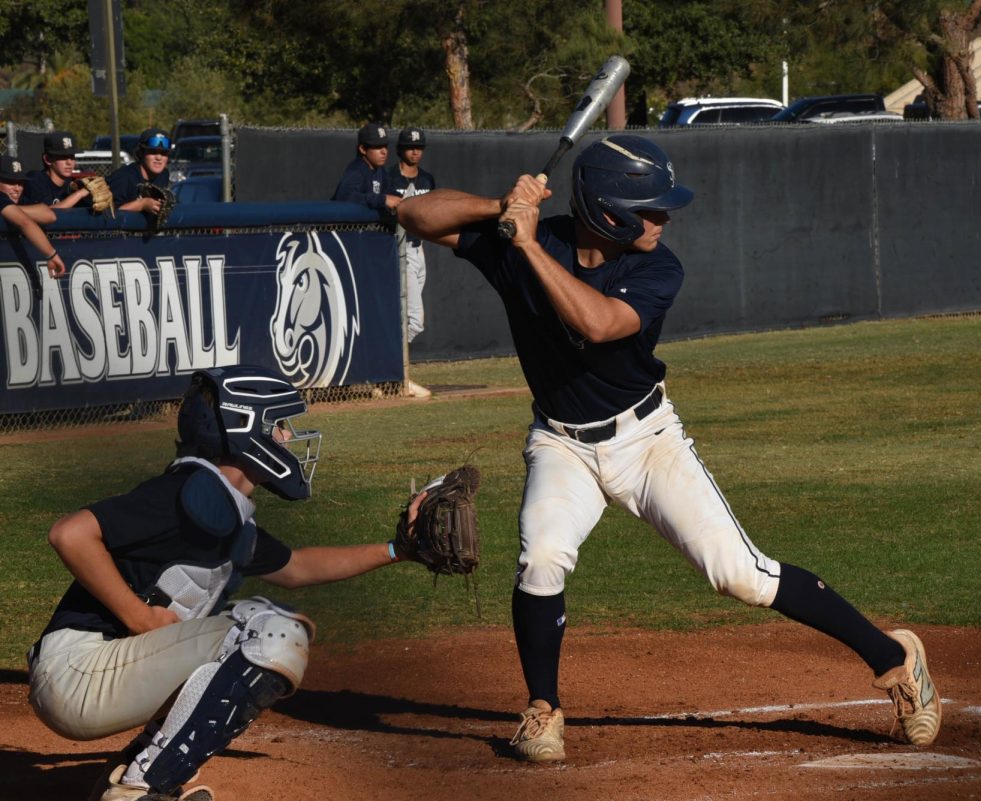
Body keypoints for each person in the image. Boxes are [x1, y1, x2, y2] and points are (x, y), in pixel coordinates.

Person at [395, 135, 942, 763]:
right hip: (561, 443)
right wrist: (500, 207)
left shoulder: (655, 267)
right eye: (650, 209)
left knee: (741, 575)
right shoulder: (524, 237)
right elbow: (412, 214)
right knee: (541, 556)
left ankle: (896, 659)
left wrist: (522, 246)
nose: (664, 219)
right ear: (607, 212)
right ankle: (543, 711)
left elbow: (597, 324)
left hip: (646, 441)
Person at [27, 364, 428, 801]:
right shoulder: (183, 495)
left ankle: (134, 768)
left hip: (98, 674)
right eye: (278, 426)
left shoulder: (221, 511)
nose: (288, 438)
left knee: (257, 627)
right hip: (77, 672)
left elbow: (297, 567)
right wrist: (140, 616)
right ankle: (140, 788)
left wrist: (397, 550)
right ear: (244, 428)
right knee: (265, 630)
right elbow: (70, 533)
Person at [388, 127, 436, 344]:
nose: (415, 152)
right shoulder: (390, 178)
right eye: (410, 147)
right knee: (414, 320)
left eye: (419, 147)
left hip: (419, 248)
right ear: (401, 150)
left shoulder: (427, 180)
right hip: (398, 248)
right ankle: (391, 360)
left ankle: (397, 369)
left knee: (403, 314)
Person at [1, 154, 68, 278]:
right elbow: (25, 222)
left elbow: (49, 215)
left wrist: (11, 211)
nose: (17, 188)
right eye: (10, 182)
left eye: (20, 183)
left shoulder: (18, 201)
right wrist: (52, 255)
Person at [332, 123, 403, 216]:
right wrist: (383, 200)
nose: (384, 151)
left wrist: (405, 199)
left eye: (385, 146)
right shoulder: (357, 169)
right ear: (363, 149)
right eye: (377, 146)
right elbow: (344, 196)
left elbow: (388, 191)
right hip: (342, 228)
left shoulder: (380, 170)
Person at [109, 127, 172, 215]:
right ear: (141, 153)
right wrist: (142, 204)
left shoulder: (163, 174)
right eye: (153, 152)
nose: (159, 158)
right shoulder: (124, 177)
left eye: (164, 153)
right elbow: (109, 215)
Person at [21, 131, 92, 209]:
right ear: (48, 159)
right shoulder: (35, 180)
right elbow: (46, 214)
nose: (69, 162)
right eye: (63, 157)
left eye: (72, 157)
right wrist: (80, 193)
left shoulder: (71, 184)